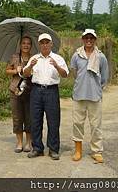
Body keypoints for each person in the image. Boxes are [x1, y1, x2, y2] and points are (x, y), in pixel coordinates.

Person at [23, 33, 69, 160]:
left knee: (53, 121)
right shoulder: (34, 58)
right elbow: (25, 74)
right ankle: (37, 148)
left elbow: (65, 74)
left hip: (52, 91)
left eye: (47, 42)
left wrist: (56, 66)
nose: (44, 45)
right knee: (35, 120)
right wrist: (30, 65)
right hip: (36, 90)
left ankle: (53, 149)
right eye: (42, 42)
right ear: (39, 45)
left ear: (51, 44)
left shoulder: (58, 58)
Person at [70, 28, 109, 164]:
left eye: (91, 38)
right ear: (83, 39)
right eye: (86, 38)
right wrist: (82, 83)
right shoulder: (76, 56)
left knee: (96, 125)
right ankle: (78, 150)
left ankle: (96, 151)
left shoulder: (101, 57)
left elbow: (104, 78)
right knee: (77, 123)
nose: (89, 40)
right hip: (79, 95)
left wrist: (95, 88)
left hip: (95, 96)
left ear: (95, 40)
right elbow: (75, 73)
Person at [5, 36, 33, 153]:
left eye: (28, 43)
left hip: (30, 91)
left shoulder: (34, 58)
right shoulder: (15, 57)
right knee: (17, 117)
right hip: (15, 91)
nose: (26, 45)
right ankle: (19, 142)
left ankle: (28, 143)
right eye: (23, 43)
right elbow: (7, 70)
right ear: (20, 45)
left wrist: (30, 70)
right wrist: (15, 70)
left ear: (31, 46)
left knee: (29, 117)